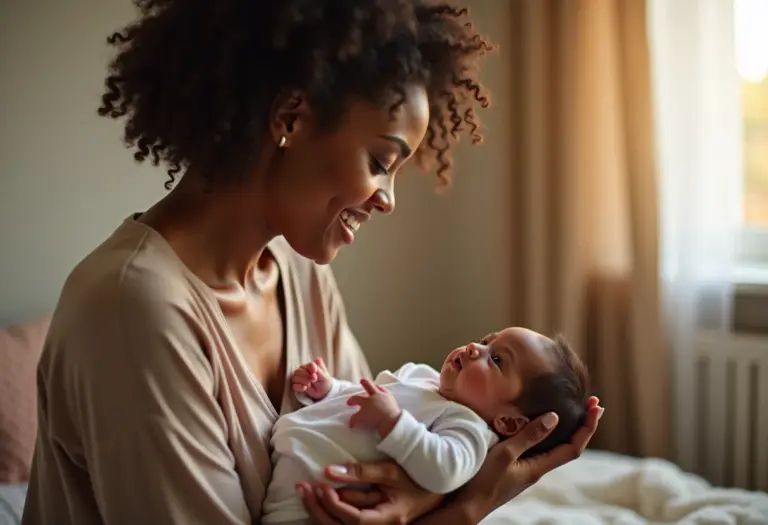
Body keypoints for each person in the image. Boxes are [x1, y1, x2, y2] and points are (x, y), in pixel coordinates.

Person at [22, 1, 603, 524]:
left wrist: (435, 491)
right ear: (291, 116)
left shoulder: (301, 275)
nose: (388, 199)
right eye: (380, 160)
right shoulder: (134, 309)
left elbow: (375, 453)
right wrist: (471, 505)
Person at [263, 327, 590, 524]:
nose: (476, 348)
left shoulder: (469, 429)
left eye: (497, 360)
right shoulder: (422, 376)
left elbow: (444, 470)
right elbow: (368, 399)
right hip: (291, 463)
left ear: (507, 421)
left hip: (309, 507)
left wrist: (394, 423)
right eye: (487, 341)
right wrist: (331, 389)